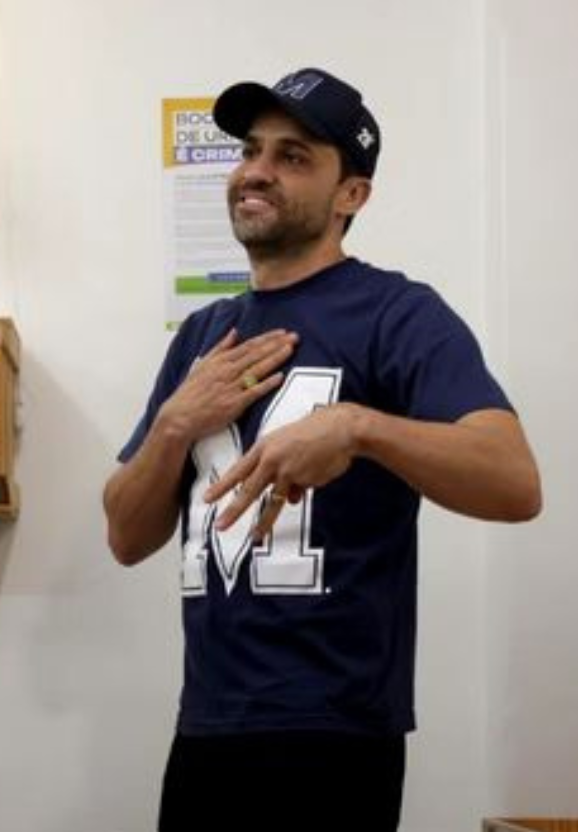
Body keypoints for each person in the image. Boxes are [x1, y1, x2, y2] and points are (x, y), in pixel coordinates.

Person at [102, 67, 542, 831]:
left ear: (352, 195)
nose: (256, 172)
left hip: (334, 734)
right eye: (251, 150)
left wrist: (359, 428)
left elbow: (513, 481)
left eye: (294, 156)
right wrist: (174, 424)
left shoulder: (399, 313)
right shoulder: (206, 336)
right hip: (207, 728)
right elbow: (126, 536)